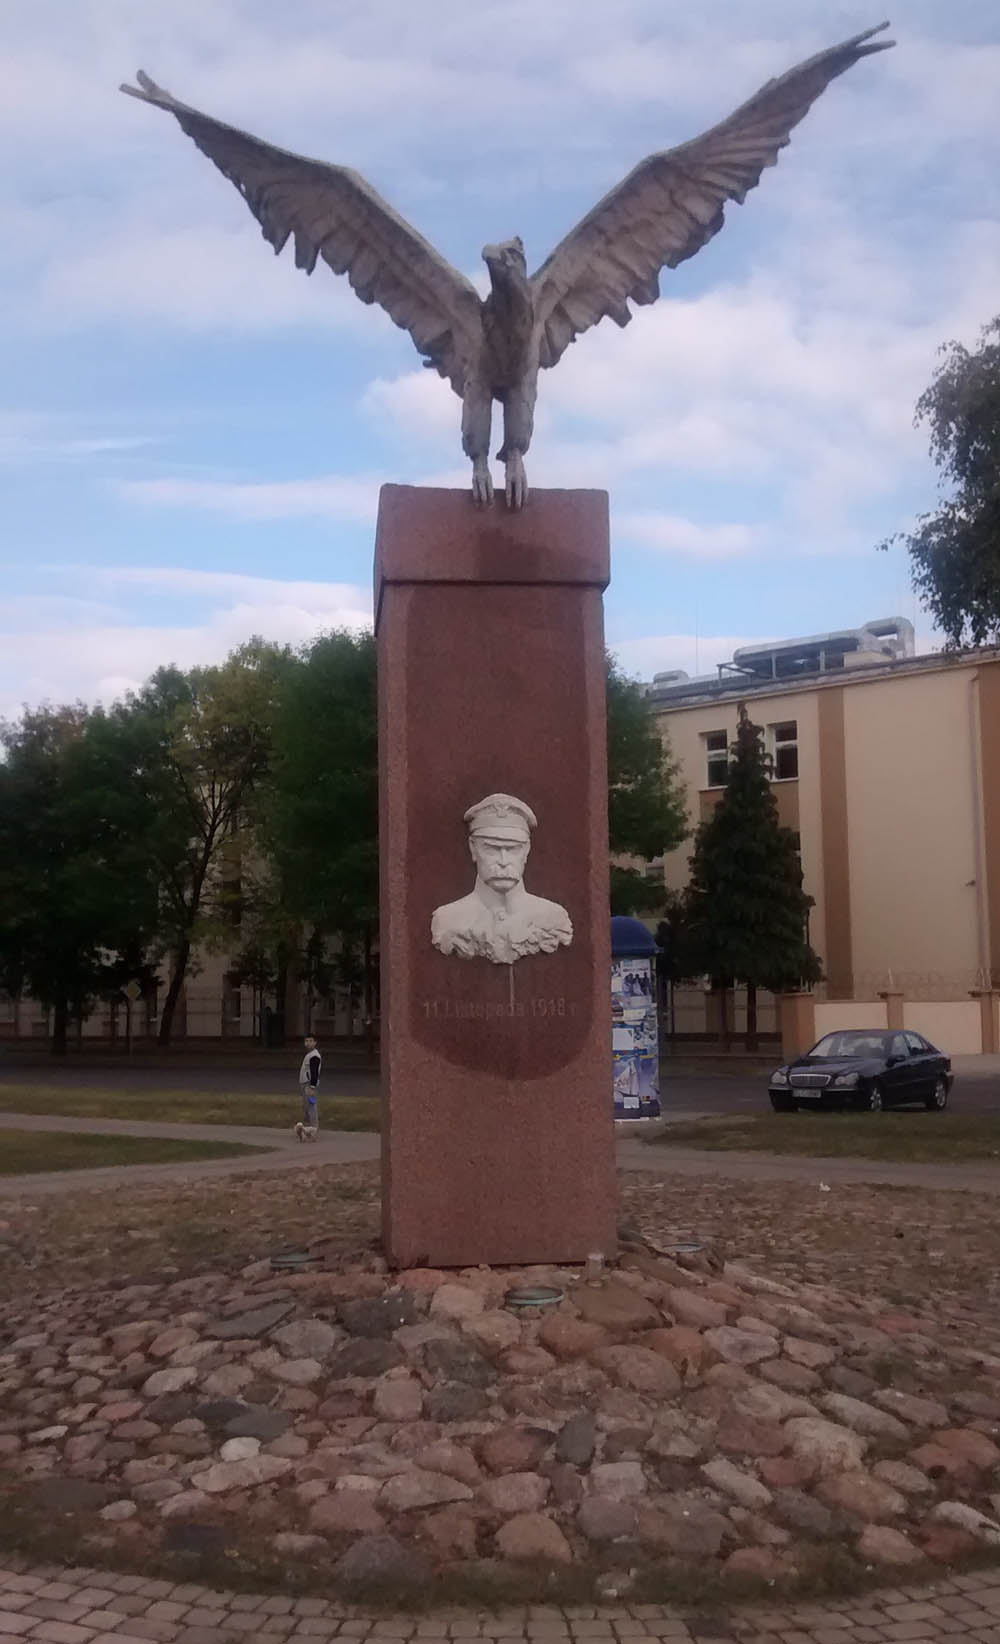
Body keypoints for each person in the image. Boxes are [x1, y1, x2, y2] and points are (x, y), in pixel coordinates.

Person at [430, 793, 572, 965]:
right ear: (473, 848)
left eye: (513, 849)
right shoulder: (448, 919)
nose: (503, 861)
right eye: (491, 849)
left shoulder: (553, 918)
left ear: (526, 850)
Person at [295, 1034, 321, 1142]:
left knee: (311, 1105)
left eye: (311, 1041)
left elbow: (314, 1072)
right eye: (306, 1041)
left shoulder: (314, 1056)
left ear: (315, 1042)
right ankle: (307, 1129)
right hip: (305, 1084)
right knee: (306, 1106)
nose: (308, 1043)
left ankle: (313, 1129)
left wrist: (312, 1086)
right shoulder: (310, 1054)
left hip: (309, 1085)